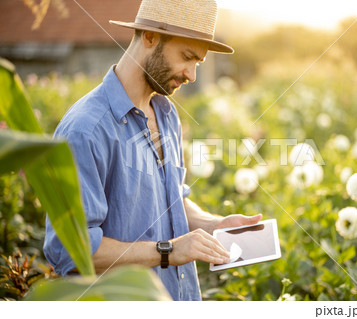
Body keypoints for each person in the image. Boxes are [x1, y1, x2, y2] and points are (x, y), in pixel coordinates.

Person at [43, 0, 262, 301]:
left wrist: (214, 225)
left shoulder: (166, 114)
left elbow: (171, 200)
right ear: (149, 37)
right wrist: (167, 251)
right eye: (187, 57)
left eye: (198, 62)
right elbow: (71, 250)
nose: (192, 74)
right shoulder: (86, 130)